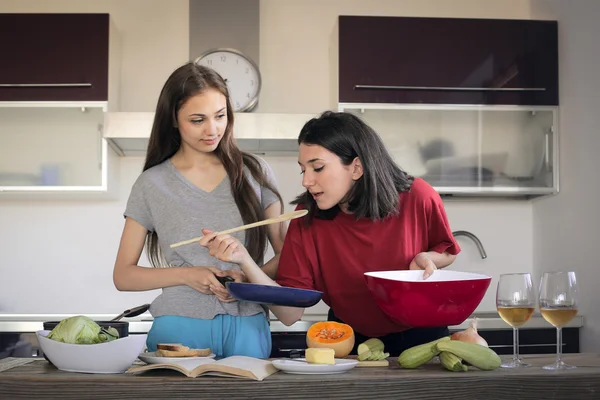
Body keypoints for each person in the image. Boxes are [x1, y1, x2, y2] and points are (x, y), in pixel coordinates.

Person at [199, 110, 461, 357]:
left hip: (423, 339)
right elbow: (290, 313)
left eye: (318, 167)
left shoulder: (418, 196)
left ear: (356, 168)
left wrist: (429, 258)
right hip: (344, 339)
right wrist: (244, 261)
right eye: (303, 169)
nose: (306, 181)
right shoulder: (306, 217)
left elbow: (446, 250)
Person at [112, 62, 286, 359]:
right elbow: (123, 275)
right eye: (197, 120)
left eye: (220, 116)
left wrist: (248, 276)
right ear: (174, 120)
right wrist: (187, 274)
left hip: (248, 323)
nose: (213, 129)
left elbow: (289, 257)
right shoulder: (151, 184)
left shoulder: (255, 172)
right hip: (179, 326)